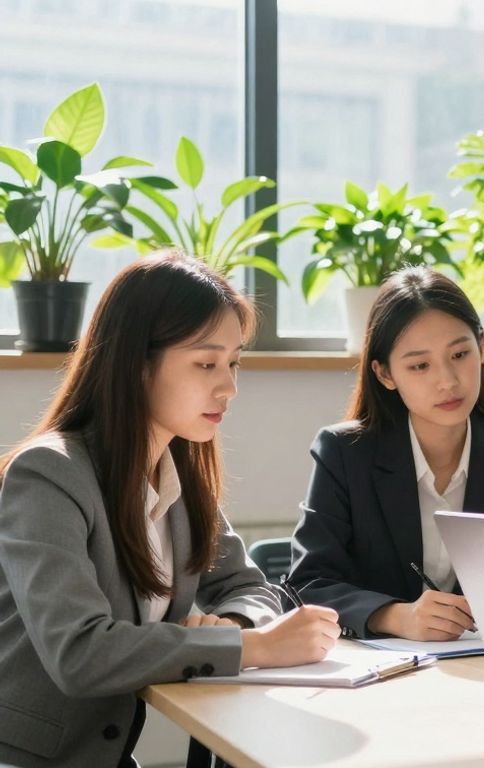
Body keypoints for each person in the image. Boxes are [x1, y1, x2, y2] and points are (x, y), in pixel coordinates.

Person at [0, 252, 340, 768]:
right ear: (136, 365)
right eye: (206, 363)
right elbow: (79, 653)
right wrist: (257, 648)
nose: (229, 387)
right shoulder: (47, 474)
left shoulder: (176, 472)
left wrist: (232, 624)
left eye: (233, 363)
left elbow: (246, 587)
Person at [290, 266, 484, 641]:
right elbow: (306, 584)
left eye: (460, 354)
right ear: (384, 374)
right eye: (420, 365)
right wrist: (395, 616)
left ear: (482, 346)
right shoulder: (344, 453)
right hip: (378, 675)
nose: (447, 380)